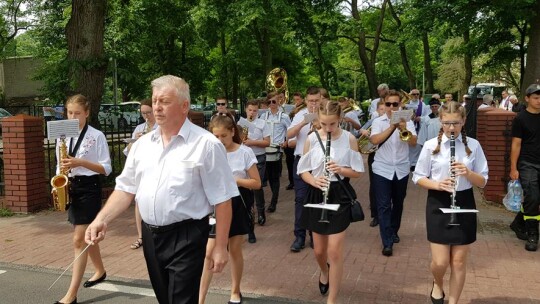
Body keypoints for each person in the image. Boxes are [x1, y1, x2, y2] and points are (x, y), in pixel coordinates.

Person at [85, 75, 237, 304]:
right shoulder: (142, 146)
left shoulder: (206, 145)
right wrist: (101, 219)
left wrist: (220, 246)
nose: (156, 107)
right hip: (151, 236)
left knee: (181, 300)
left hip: (187, 236)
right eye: (155, 100)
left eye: (164, 101)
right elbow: (125, 189)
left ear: (184, 106)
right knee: (165, 298)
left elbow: (223, 200)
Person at [413, 101, 488, 304]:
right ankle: (437, 283)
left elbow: (482, 181)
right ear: (441, 121)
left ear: (463, 121)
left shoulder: (473, 145)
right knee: (440, 262)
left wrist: (468, 172)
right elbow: (418, 177)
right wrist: (438, 185)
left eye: (456, 123)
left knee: (459, 260)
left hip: (464, 200)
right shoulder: (430, 146)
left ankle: (453, 301)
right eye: (447, 123)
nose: (452, 128)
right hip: (438, 200)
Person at [298, 100, 363, 304]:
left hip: (339, 194)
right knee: (319, 250)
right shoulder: (312, 138)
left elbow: (358, 172)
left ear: (340, 120)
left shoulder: (350, 139)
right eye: (324, 124)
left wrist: (340, 169)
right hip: (317, 192)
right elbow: (302, 171)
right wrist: (314, 181)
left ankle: (332, 300)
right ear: (318, 120)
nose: (328, 128)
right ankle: (323, 271)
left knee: (334, 251)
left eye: (332, 124)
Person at [54, 94, 112, 304]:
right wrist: (59, 177)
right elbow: (59, 162)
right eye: (70, 112)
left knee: (79, 239)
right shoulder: (62, 132)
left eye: (78, 113)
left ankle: (71, 295)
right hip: (72, 186)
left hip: (90, 188)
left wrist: (80, 162)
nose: (73, 116)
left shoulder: (97, 135)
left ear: (87, 113)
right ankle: (100, 270)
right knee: (88, 235)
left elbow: (106, 168)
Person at [200, 113, 261, 304]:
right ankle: (200, 299)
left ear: (232, 132)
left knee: (234, 249)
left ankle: (235, 290)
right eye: (215, 136)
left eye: (223, 136)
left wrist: (236, 180)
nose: (219, 140)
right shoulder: (207, 151)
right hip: (215, 204)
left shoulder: (244, 152)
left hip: (238, 201)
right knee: (209, 251)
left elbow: (257, 183)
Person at [370, 90, 417, 256]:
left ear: (400, 105)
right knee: (383, 206)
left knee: (398, 204)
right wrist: (392, 127)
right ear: (384, 103)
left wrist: (404, 128)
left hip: (402, 169)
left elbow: (413, 143)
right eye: (388, 104)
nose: (391, 107)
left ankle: (393, 230)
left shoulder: (408, 121)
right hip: (382, 169)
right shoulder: (378, 121)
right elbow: (375, 140)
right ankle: (387, 241)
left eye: (395, 104)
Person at [287, 86, 322, 252]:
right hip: (302, 161)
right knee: (300, 199)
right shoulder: (300, 114)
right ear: (306, 101)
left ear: (321, 100)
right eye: (310, 101)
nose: (313, 104)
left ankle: (314, 235)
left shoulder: (325, 113)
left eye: (316, 100)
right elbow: (288, 135)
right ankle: (299, 236)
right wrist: (304, 122)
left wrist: (318, 124)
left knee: (316, 199)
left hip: (319, 163)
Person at [509, 83, 540, 252]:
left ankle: (518, 222)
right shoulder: (520, 118)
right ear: (527, 99)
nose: (539, 100)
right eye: (536, 97)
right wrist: (513, 168)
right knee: (533, 197)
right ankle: (533, 234)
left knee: (534, 199)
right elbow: (516, 144)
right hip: (528, 163)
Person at [122, 98, 157, 250]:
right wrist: (134, 142)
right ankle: (141, 236)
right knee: (139, 200)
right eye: (143, 113)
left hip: (156, 168)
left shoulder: (160, 128)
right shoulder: (139, 128)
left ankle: (155, 234)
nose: (146, 116)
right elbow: (128, 152)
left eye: (149, 112)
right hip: (142, 169)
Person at [242, 99, 271, 230]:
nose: (252, 113)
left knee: (257, 187)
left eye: (254, 110)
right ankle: (249, 213)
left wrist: (252, 142)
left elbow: (267, 143)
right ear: (246, 110)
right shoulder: (241, 123)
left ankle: (260, 212)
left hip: (258, 157)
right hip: (244, 158)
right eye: (250, 110)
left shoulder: (262, 123)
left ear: (258, 111)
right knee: (246, 187)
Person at [261, 92, 291, 213]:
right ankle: (271, 200)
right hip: (265, 148)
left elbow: (290, 131)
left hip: (277, 149)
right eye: (269, 102)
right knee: (266, 177)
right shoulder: (263, 116)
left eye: (274, 101)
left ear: (278, 101)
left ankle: (273, 202)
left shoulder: (284, 117)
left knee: (274, 178)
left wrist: (286, 142)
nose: (272, 104)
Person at [359, 100, 386, 227]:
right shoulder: (373, 121)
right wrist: (363, 132)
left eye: (385, 109)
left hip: (388, 157)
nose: (384, 111)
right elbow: (360, 130)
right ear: (377, 110)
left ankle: (386, 214)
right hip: (374, 155)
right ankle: (375, 215)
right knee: (374, 185)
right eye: (381, 109)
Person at [405, 89, 430, 171]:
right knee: (408, 146)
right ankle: (408, 162)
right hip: (408, 128)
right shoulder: (406, 104)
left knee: (417, 146)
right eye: (414, 94)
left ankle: (415, 164)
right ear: (410, 95)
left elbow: (428, 116)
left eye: (417, 94)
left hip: (418, 127)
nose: (415, 96)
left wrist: (420, 118)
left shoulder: (423, 105)